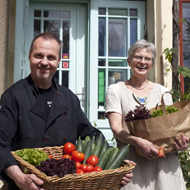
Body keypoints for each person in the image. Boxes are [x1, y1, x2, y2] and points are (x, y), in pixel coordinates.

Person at [0, 32, 134, 190]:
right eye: (38, 56)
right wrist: (19, 177)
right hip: (27, 185)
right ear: (30, 56)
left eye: (51, 57)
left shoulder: (69, 98)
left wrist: (115, 164)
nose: (44, 62)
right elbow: (1, 143)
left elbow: (90, 134)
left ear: (59, 61)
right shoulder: (13, 96)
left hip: (66, 185)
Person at [105, 39, 189, 190]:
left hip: (165, 168)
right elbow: (116, 128)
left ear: (152, 64)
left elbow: (172, 129)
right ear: (129, 61)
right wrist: (139, 142)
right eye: (138, 57)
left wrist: (180, 145)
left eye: (148, 58)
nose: (142, 62)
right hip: (133, 168)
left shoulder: (163, 92)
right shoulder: (116, 90)